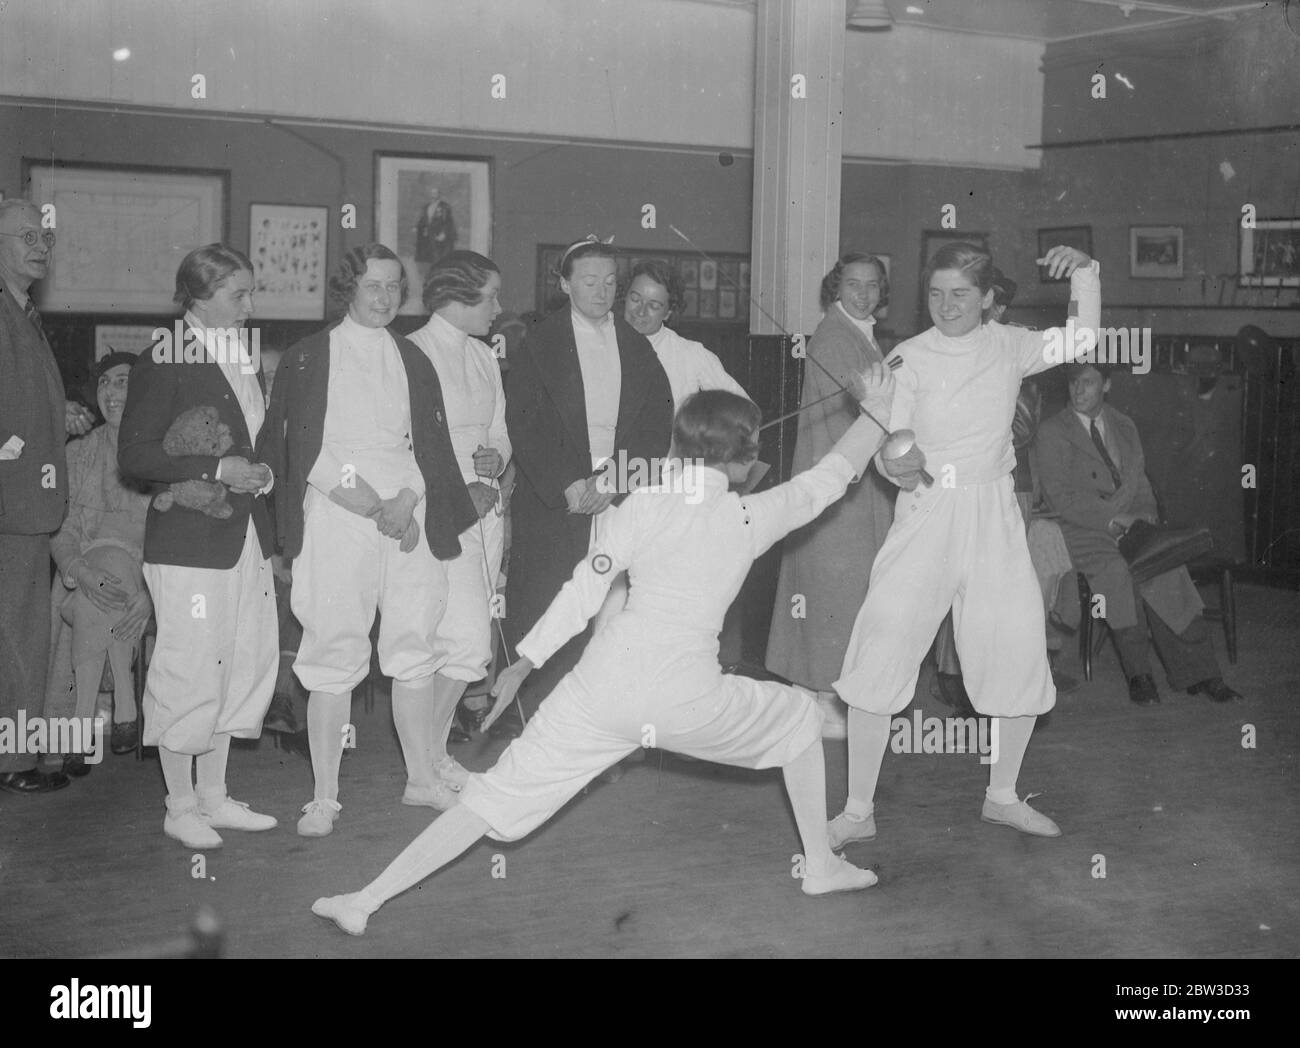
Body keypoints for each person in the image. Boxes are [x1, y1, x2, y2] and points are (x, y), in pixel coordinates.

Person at [311, 373, 901, 936]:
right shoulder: (751, 513)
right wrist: (876, 408)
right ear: (744, 460)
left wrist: (524, 661)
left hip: (597, 690)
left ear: (680, 447)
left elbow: (584, 590)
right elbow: (832, 475)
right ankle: (820, 868)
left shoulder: (638, 506)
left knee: (488, 804)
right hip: (685, 697)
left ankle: (364, 901)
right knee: (799, 720)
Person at [830, 242, 1101, 849]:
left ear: (986, 300)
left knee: (1016, 645)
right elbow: (888, 450)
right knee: (883, 645)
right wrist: (895, 462)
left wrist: (1084, 274)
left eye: (959, 294)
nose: (946, 305)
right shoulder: (908, 356)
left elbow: (1081, 340)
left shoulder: (1011, 345)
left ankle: (1002, 797)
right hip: (928, 511)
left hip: (994, 512)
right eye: (935, 293)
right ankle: (856, 810)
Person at [262, 244, 477, 836]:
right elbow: (300, 445)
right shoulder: (310, 357)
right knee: (333, 648)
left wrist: (406, 500)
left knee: (414, 644)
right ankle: (325, 797)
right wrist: (363, 499)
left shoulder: (413, 359)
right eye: (371, 286)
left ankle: (422, 779)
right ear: (347, 289)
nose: (383, 299)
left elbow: (425, 447)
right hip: (337, 513)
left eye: (392, 287)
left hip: (408, 514)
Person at [118, 244, 279, 848]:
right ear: (200, 295)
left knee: (238, 663)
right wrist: (217, 468)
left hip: (245, 537)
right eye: (239, 294)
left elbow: (250, 443)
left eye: (250, 292)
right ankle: (179, 804)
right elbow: (134, 453)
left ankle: (214, 798)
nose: (250, 305)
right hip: (188, 542)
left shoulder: (240, 353)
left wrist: (257, 471)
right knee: (190, 665)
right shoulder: (166, 354)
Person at [501, 237, 673, 732]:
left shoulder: (636, 344)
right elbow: (525, 421)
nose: (602, 291)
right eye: (589, 281)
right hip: (558, 495)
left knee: (614, 610)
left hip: (618, 488)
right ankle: (534, 727)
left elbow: (655, 424)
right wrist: (568, 483)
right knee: (548, 605)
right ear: (565, 284)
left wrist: (615, 479)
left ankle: (598, 729)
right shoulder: (540, 342)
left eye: (610, 282)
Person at [1032, 362, 1241, 706]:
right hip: (1083, 530)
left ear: (1107, 385)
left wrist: (1142, 518)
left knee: (1166, 569)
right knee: (1118, 574)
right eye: (1073, 383)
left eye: (1087, 382)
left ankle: (1203, 674)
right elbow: (1061, 498)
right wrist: (1114, 521)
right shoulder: (1053, 431)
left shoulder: (1124, 425)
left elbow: (1141, 484)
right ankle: (1139, 674)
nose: (1077, 390)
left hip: (1132, 525)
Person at [931, 268, 1076, 714]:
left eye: (1000, 306)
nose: (994, 314)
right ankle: (954, 680)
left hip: (1013, 486)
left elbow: (1024, 428)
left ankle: (996, 679)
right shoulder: (943, 350)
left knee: (997, 589)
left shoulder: (1015, 350)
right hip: (954, 486)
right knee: (953, 579)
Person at [767, 253, 895, 739]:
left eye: (871, 286)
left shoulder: (856, 330)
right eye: (852, 284)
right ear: (835, 287)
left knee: (836, 586)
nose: (861, 294)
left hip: (852, 476)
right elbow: (869, 401)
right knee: (833, 587)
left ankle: (821, 695)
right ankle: (826, 700)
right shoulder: (837, 335)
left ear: (882, 291)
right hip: (840, 475)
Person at [407, 250, 511, 792]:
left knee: (469, 644)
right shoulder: (414, 353)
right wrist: (458, 494)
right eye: (490, 295)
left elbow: (496, 427)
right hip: (438, 512)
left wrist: (496, 455)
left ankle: (429, 758)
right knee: (458, 642)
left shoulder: (483, 355)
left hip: (485, 506)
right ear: (458, 295)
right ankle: (426, 759)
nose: (498, 306)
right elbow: (414, 443)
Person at [44, 352, 152, 773]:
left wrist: (150, 592)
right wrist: (79, 570)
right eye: (104, 382)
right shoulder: (79, 453)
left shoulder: (158, 454)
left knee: (106, 583)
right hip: (83, 577)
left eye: (122, 381)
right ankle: (126, 707)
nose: (111, 391)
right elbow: (63, 529)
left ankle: (81, 724)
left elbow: (169, 540)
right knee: (98, 581)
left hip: (143, 579)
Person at [0, 198, 72, 795]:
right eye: (24, 234)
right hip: (12, 504)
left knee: (18, 629)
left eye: (43, 234)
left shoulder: (22, 312)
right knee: (19, 632)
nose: (39, 244)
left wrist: (56, 416)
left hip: (25, 501)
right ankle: (15, 762)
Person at [622, 259, 748, 410]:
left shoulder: (690, 354)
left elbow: (744, 410)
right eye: (635, 299)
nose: (641, 311)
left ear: (668, 313)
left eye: (653, 306)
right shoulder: (604, 342)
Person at [414, 183, 456, 268]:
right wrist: (417, 227)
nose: (433, 195)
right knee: (428, 259)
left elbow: (448, 222)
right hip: (428, 235)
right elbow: (423, 219)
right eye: (432, 193)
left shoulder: (445, 206)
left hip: (438, 235)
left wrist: (444, 233)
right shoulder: (427, 206)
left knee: (439, 258)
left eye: (435, 193)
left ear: (439, 194)